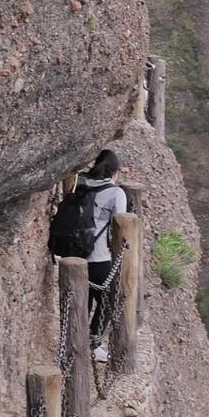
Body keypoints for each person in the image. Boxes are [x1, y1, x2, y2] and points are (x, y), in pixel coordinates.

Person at [81, 149, 127, 362]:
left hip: (75, 253)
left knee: (83, 300)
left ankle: (77, 343)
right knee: (110, 301)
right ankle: (93, 344)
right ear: (115, 172)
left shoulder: (81, 183)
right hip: (98, 256)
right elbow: (121, 225)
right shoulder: (116, 193)